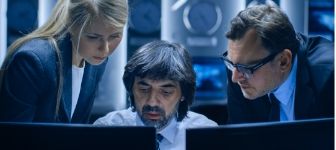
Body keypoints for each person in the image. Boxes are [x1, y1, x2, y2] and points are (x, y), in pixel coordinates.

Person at [0, 0, 128, 123]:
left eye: (115, 36)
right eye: (93, 37)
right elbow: (13, 137)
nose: (105, 49)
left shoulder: (95, 61)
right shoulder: (32, 62)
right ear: (70, 25)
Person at [94, 40, 218, 150]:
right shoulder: (106, 130)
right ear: (131, 88)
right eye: (143, 89)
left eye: (166, 92)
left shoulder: (206, 134)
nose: (152, 102)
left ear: (183, 94)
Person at [223, 4, 334, 123]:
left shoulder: (330, 78)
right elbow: (241, 139)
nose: (235, 78)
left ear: (283, 61)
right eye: (231, 63)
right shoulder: (238, 72)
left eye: (247, 68)